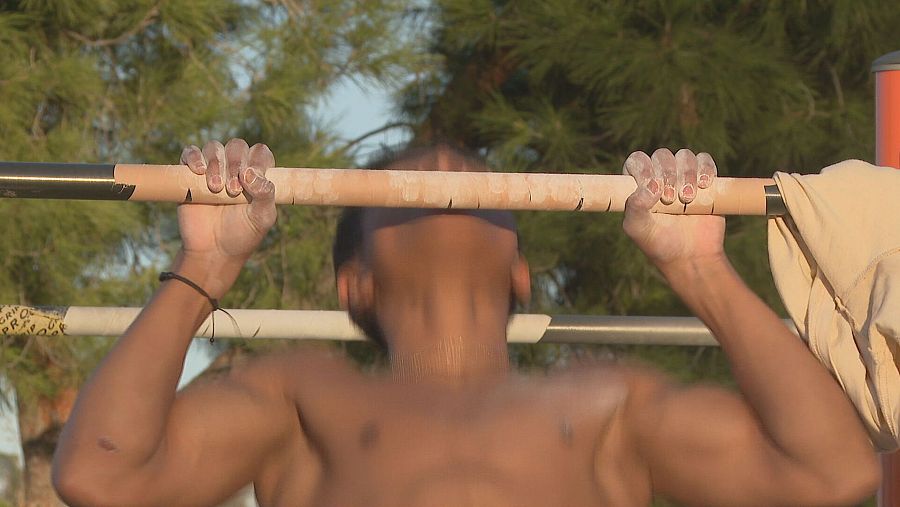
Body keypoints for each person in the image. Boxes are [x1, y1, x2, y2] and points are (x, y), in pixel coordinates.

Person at [52, 139, 879, 506]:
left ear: (520, 269)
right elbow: (101, 476)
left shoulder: (608, 402)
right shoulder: (302, 394)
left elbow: (833, 472)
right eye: (409, 183)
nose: (446, 164)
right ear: (355, 283)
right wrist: (206, 265)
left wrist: (700, 269)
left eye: (475, 179)